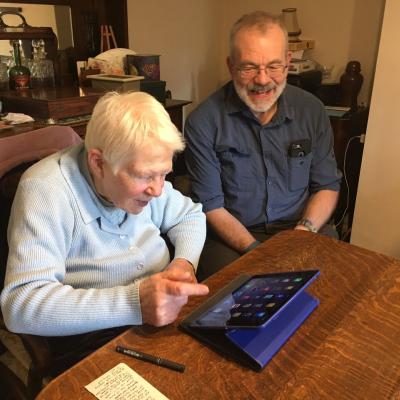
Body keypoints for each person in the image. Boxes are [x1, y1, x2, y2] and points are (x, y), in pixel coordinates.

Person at [1, 91, 209, 339]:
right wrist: (135, 303)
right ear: (98, 162)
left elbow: (190, 216)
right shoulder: (45, 190)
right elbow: (20, 306)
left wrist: (183, 263)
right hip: (95, 334)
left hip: (165, 312)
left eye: (164, 173)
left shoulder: (144, 169)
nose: (158, 190)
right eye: (144, 177)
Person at [185, 11, 342, 280]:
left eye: (273, 66)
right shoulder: (203, 121)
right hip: (233, 238)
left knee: (334, 285)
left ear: (288, 63)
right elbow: (212, 206)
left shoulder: (312, 110)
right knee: (237, 296)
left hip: (302, 226)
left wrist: (303, 232)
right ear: (231, 66)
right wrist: (258, 252)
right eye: (248, 67)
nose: (262, 79)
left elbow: (326, 185)